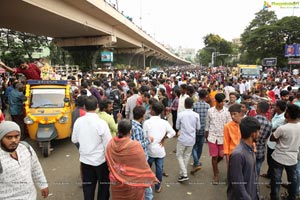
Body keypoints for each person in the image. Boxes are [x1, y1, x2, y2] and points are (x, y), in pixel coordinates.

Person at [105, 119, 158, 200]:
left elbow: (109, 161)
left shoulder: (111, 143)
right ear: (130, 132)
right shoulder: (135, 146)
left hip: (116, 181)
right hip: (132, 183)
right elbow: (143, 165)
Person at [72, 96, 112, 200]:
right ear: (97, 106)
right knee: (103, 186)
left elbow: (74, 139)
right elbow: (108, 143)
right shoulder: (101, 123)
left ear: (84, 107)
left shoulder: (78, 122)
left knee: (88, 187)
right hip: (100, 161)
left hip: (85, 160)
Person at [0, 121, 49, 199]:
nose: (14, 140)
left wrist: (43, 185)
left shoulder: (25, 147)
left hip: (31, 196)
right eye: (9, 137)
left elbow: (36, 167)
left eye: (17, 136)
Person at [143, 102, 175, 193]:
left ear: (152, 111)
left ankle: (146, 186)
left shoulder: (147, 122)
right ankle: (158, 187)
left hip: (149, 150)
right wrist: (164, 138)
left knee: (147, 169)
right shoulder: (164, 122)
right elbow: (172, 132)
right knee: (159, 169)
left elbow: (144, 136)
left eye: (150, 109)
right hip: (160, 151)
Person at [270, 104, 300, 200]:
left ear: (287, 114)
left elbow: (272, 138)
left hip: (279, 157)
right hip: (292, 158)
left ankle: (274, 197)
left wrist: (280, 139)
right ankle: (292, 197)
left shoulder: (283, 128)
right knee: (292, 180)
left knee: (276, 180)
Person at [227, 117, 261, 200]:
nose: (259, 134)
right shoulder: (238, 155)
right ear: (253, 134)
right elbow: (238, 184)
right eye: (258, 132)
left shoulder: (250, 148)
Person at [205, 93, 231, 184]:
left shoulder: (227, 112)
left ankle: (215, 165)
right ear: (217, 102)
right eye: (221, 102)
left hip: (223, 137)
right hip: (212, 136)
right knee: (214, 157)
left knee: (221, 155)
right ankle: (216, 174)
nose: (223, 103)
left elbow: (229, 125)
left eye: (224, 101)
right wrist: (207, 134)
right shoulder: (210, 111)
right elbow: (207, 123)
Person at [131, 106, 154, 200]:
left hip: (134, 157)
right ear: (142, 116)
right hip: (140, 158)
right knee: (146, 180)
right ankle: (148, 197)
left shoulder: (131, 124)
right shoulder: (137, 128)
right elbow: (138, 145)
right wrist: (149, 140)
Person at [176, 97, 200, 182]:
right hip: (191, 138)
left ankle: (184, 174)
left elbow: (177, 127)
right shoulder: (196, 115)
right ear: (192, 105)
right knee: (186, 155)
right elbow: (198, 127)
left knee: (179, 155)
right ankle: (182, 174)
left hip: (182, 138)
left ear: (185, 105)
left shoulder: (181, 115)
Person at [191, 89, 210, 174]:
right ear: (206, 96)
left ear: (198, 96)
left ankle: (196, 161)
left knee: (193, 146)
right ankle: (197, 161)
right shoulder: (208, 106)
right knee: (200, 146)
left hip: (195, 128)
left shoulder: (195, 105)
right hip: (204, 129)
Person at [254, 101, 272, 177]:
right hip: (260, 149)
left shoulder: (251, 120)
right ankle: (255, 182)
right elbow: (267, 137)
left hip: (250, 148)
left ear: (258, 109)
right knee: (258, 166)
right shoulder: (269, 123)